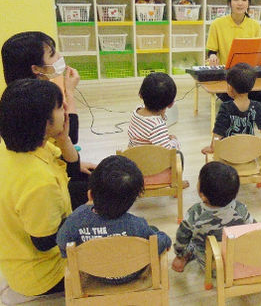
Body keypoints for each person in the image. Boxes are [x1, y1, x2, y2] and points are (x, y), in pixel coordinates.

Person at [0, 79, 76, 304]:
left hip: (15, 259)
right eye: (60, 106)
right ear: (44, 124)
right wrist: (84, 222)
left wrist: (63, 137)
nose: (65, 110)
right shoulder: (39, 182)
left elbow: (72, 165)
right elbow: (44, 242)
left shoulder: (17, 148)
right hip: (43, 275)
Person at [1, 31, 95, 209]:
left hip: (54, 163)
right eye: (52, 54)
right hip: (45, 180)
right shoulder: (32, 105)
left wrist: (67, 161)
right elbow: (69, 134)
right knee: (98, 186)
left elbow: (65, 140)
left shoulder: (22, 95)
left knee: (93, 176)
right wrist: (70, 92)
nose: (59, 57)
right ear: (35, 68)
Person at [56, 155, 172, 284]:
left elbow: (62, 242)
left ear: (90, 194)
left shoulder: (76, 218)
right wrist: (165, 238)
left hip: (95, 273)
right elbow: (156, 245)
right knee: (153, 232)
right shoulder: (137, 225)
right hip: (131, 272)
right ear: (133, 200)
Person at [171, 161, 255, 272]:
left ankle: (183, 259)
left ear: (202, 195)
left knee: (192, 242)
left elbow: (181, 239)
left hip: (209, 266)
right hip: (236, 262)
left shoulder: (195, 213)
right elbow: (254, 229)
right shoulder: (240, 209)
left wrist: (179, 254)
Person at [206, 0, 261, 111]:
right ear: (229, 3)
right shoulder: (217, 24)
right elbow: (211, 51)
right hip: (226, 75)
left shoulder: (255, 25)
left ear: (248, 3)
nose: (240, 3)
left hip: (248, 75)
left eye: (244, 0)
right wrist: (212, 56)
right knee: (237, 106)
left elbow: (258, 51)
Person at [201, 63, 261, 154]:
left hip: (228, 154)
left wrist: (212, 147)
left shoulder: (226, 107)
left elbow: (219, 131)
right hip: (248, 153)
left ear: (230, 88)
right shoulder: (257, 107)